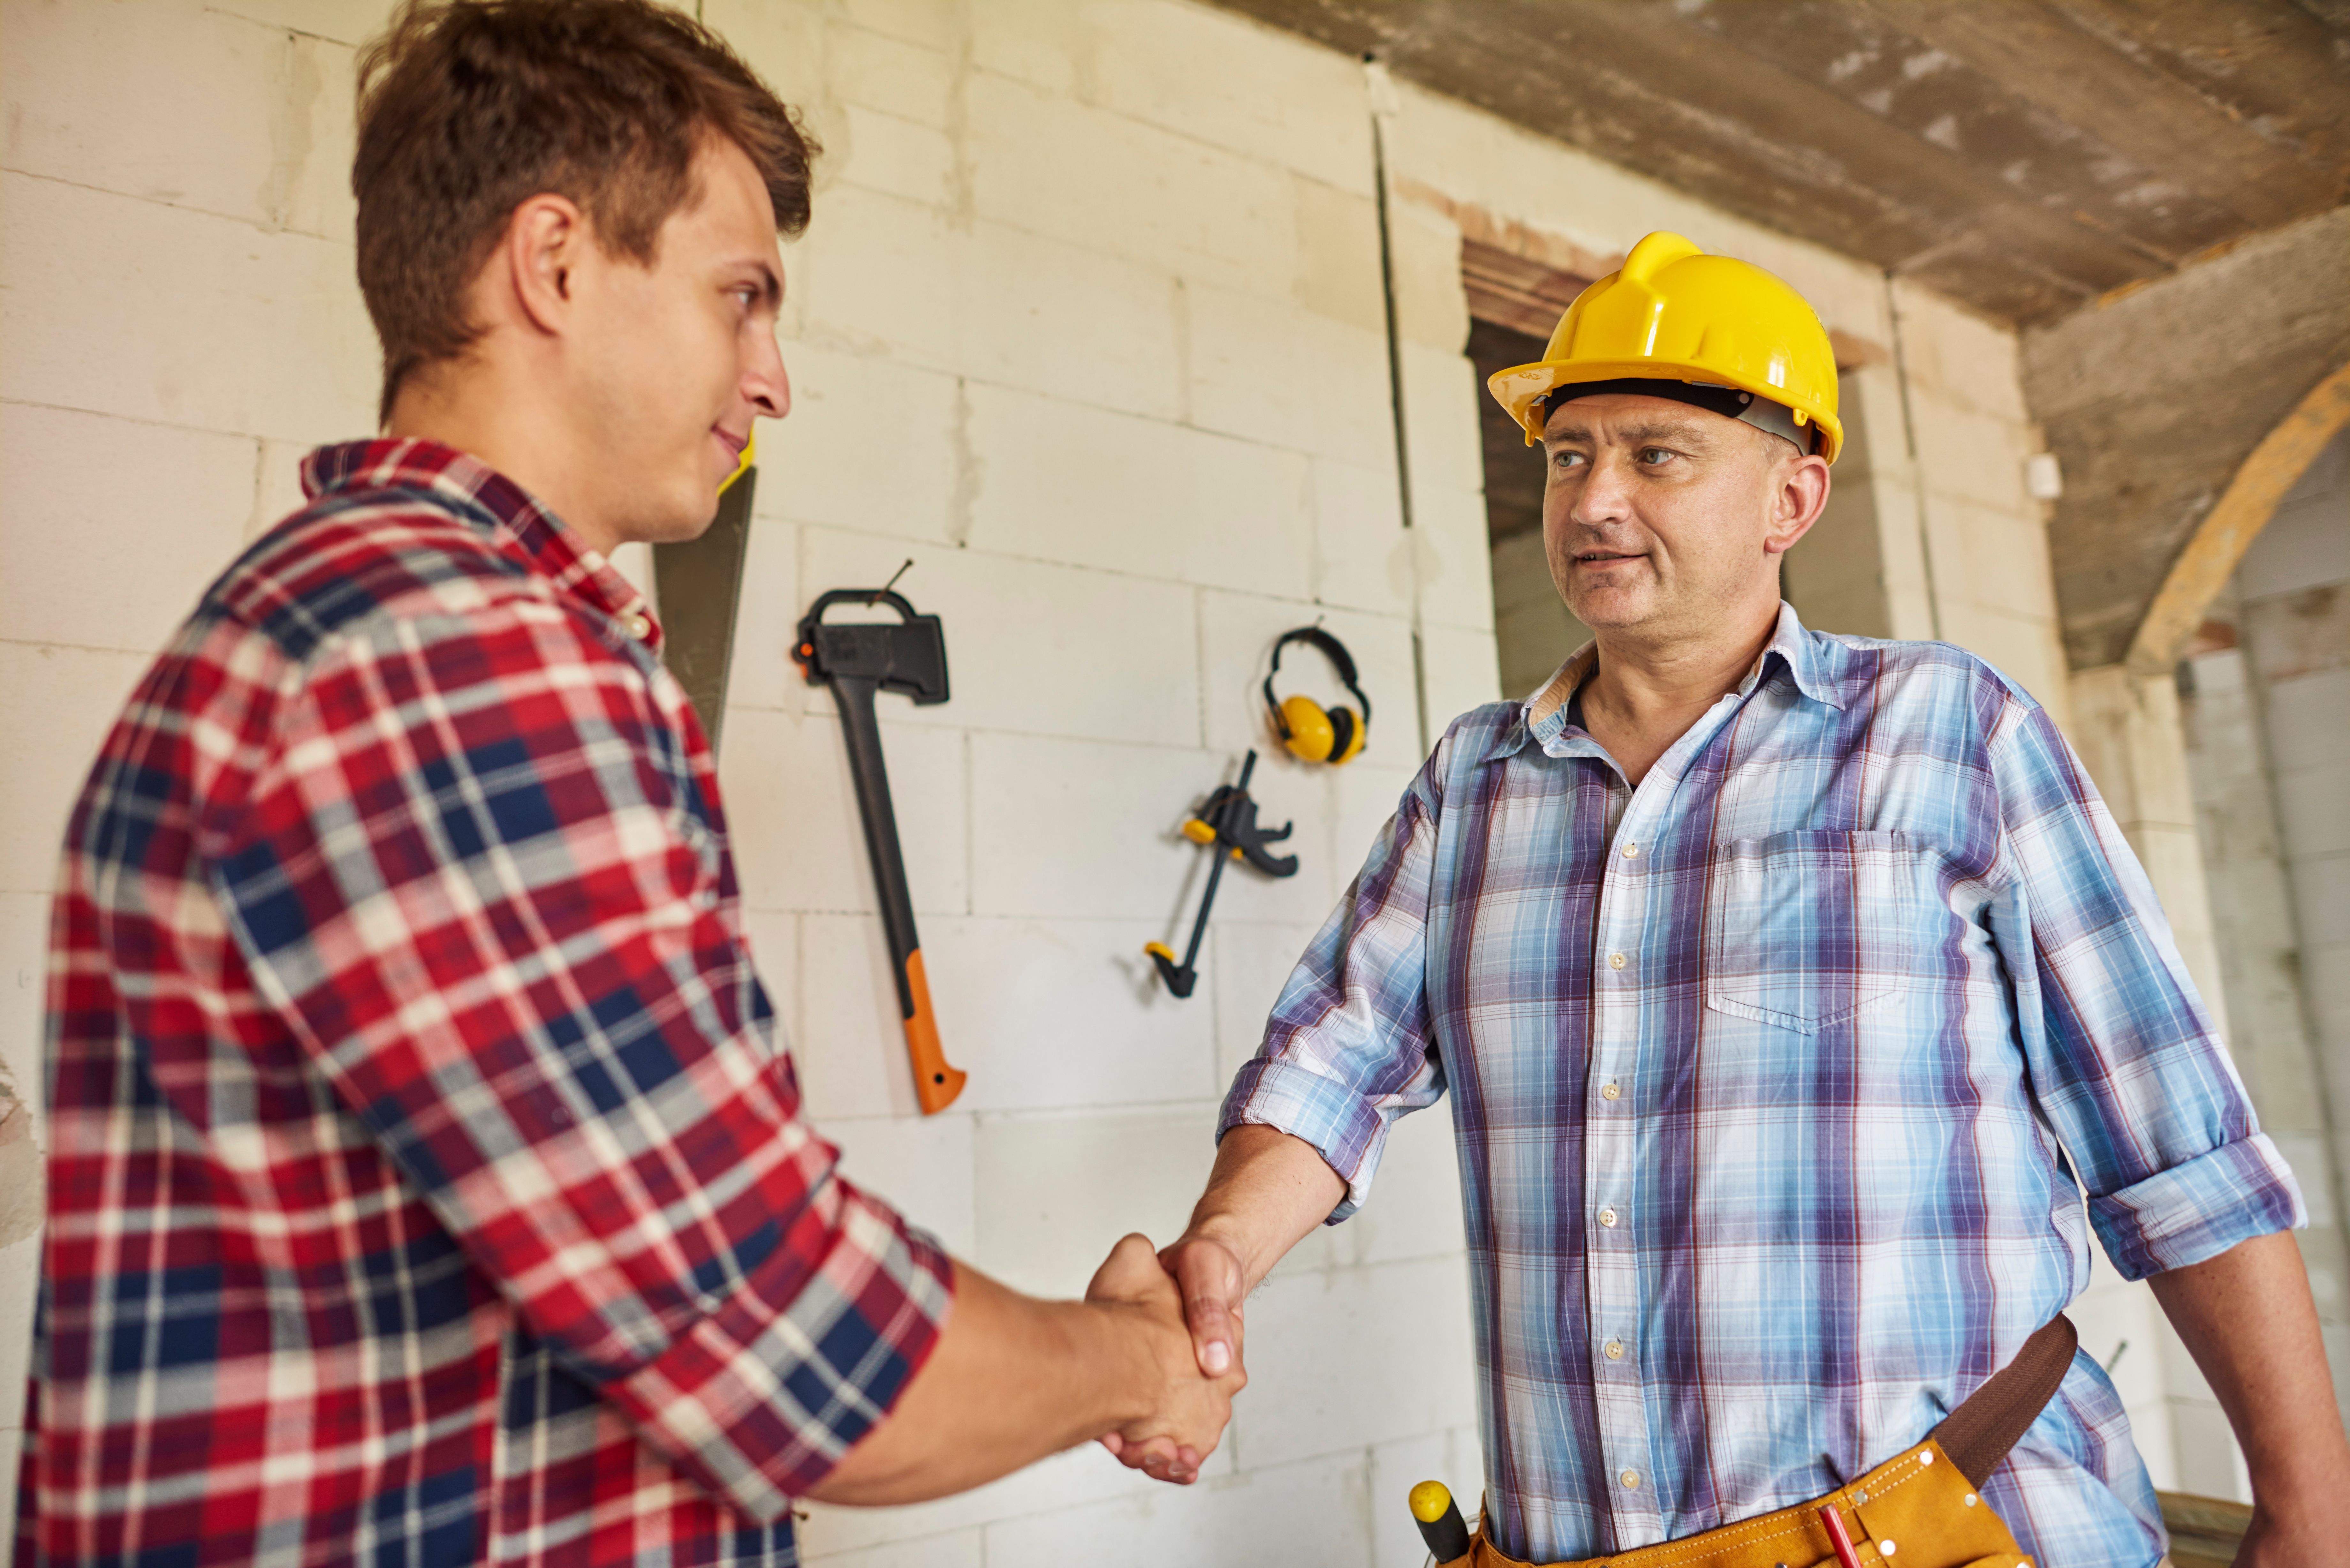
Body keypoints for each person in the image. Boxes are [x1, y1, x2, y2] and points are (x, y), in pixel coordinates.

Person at [20, 4, 1232, 1563]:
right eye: (742, 299)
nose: (772, 378)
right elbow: (808, 1362)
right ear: (556, 264)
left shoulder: (356, 621)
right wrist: (1141, 1362)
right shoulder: (458, 655)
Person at [1153, 231, 2350, 1566]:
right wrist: (1217, 1255)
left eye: (1655, 455)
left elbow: (2176, 1150)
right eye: (1567, 456)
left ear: (1792, 497)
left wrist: (2310, 1512)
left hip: (1953, 1536)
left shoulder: (1949, 733)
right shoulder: (1473, 784)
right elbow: (1332, 1068)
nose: (1594, 498)